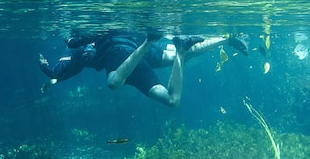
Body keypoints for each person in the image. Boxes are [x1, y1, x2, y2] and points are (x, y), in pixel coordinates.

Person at [38, 31, 248, 108]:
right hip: (136, 53)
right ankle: (226, 38)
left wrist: (46, 68)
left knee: (113, 83)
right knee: (172, 98)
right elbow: (63, 69)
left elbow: (62, 69)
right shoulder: (80, 42)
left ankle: (150, 41)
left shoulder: (79, 43)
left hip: (119, 53)